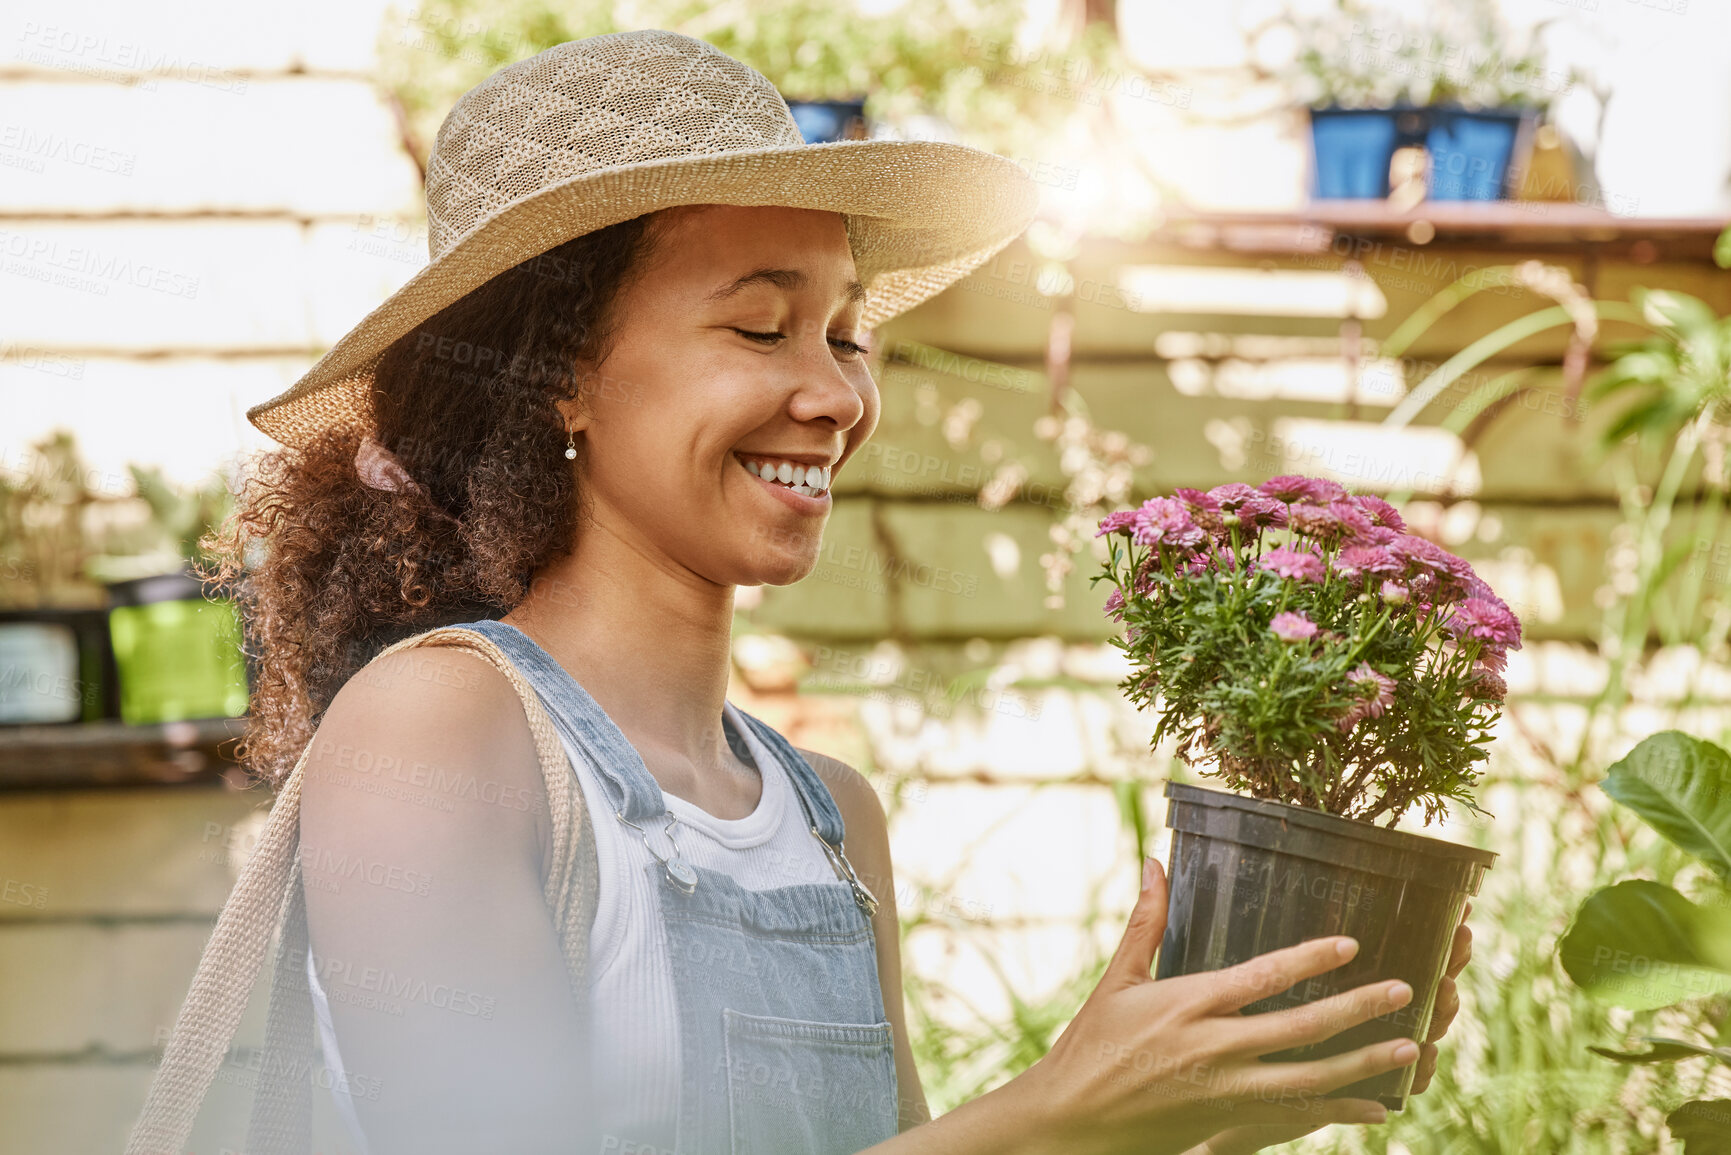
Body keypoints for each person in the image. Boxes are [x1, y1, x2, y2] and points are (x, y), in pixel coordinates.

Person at [196, 28, 1472, 1155]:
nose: (835, 395)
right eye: (760, 328)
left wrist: (1183, 1106)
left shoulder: (825, 818)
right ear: (556, 377)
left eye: (848, 334)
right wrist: (1058, 1116)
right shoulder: (440, 735)